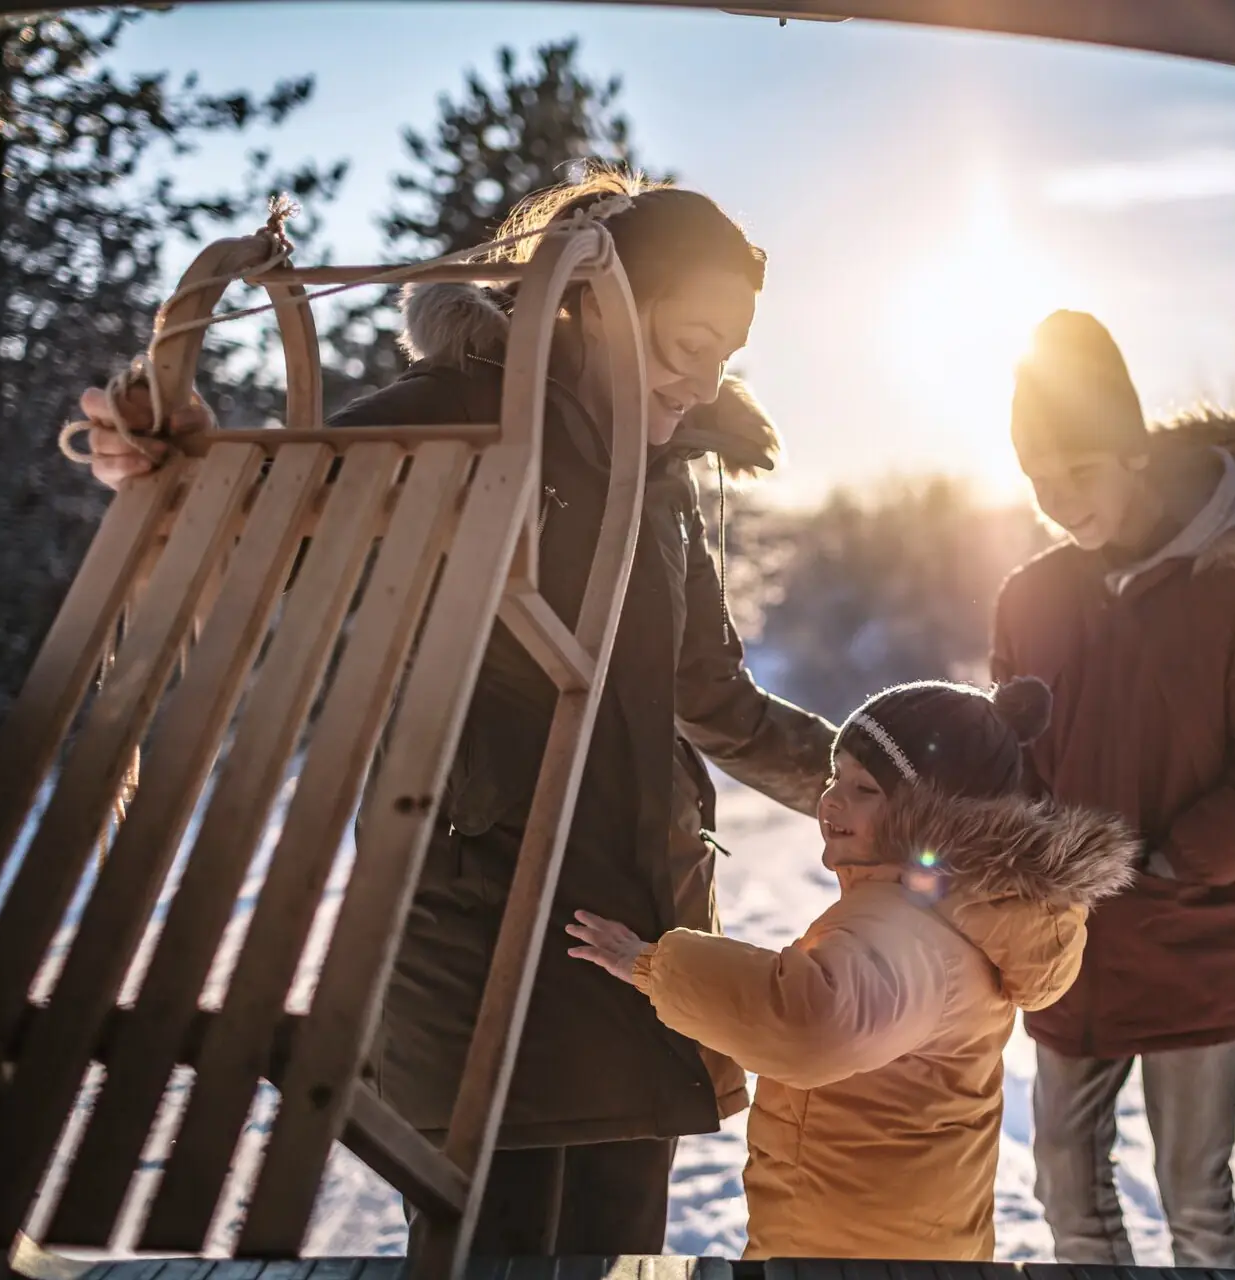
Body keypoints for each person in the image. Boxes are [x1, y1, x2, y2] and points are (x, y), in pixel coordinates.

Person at [73, 169, 836, 1259]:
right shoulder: (461, 414)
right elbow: (281, 510)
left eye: (729, 352)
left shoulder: (658, 475)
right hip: (486, 943)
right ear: (592, 305)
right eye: (688, 340)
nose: (707, 377)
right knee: (496, 1248)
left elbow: (712, 695)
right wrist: (174, 466)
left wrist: (883, 788)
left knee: (623, 1253)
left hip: (639, 936)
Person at [991, 311, 1235, 1268]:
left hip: (1201, 937)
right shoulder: (1031, 595)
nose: (1061, 502)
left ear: (1136, 454)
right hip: (1070, 944)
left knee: (1193, 1193)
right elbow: (1010, 756)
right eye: (1038, 480)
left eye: (1081, 472)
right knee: (1062, 1172)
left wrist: (1171, 860)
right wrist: (1009, 858)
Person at [567, 678, 1139, 1262]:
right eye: (836, 776)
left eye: (865, 788)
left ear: (932, 814)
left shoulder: (908, 927)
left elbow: (809, 1022)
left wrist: (652, 962)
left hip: (842, 1249)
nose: (832, 800)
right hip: (917, 1240)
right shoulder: (968, 905)